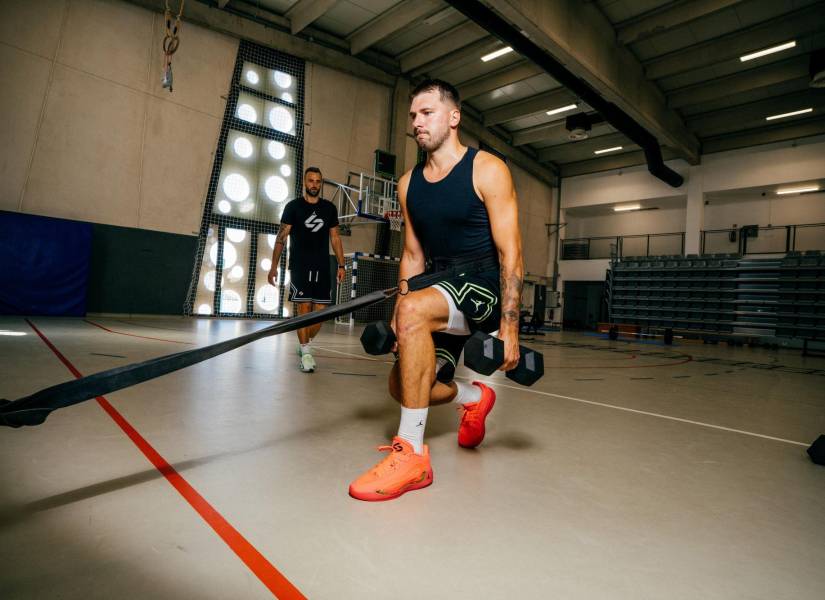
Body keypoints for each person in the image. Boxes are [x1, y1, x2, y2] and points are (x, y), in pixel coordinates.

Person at [348, 79, 524, 501]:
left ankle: (410, 456)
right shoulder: (409, 184)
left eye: (426, 113)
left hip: (480, 286)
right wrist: (398, 314)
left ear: (454, 117)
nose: (416, 123)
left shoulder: (487, 169)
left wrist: (511, 326)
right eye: (412, 116)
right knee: (405, 386)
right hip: (436, 285)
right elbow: (411, 254)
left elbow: (511, 253)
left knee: (414, 312)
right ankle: (472, 396)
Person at [268, 166, 345, 373]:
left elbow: (335, 238)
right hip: (300, 265)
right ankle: (306, 351)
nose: (314, 185)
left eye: (318, 181)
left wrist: (341, 264)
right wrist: (273, 266)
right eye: (311, 181)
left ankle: (305, 342)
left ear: (321, 184)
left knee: (320, 314)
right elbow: (281, 239)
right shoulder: (293, 207)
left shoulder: (329, 209)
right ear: (304, 183)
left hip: (322, 265)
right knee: (304, 310)